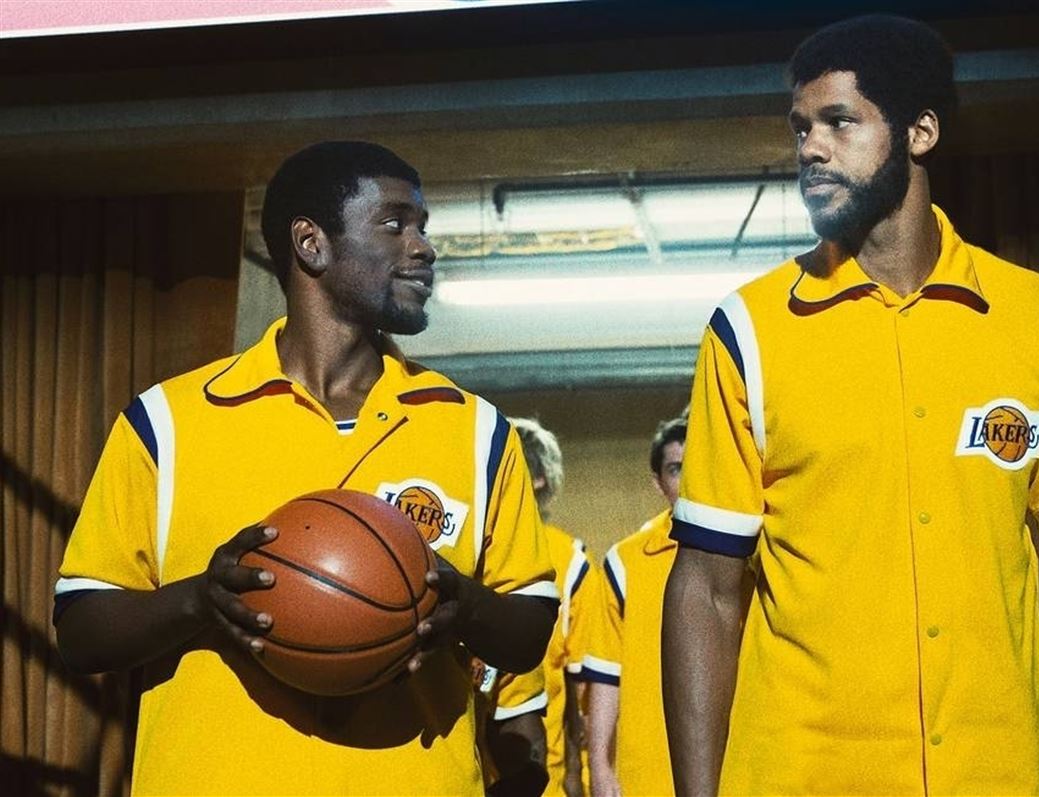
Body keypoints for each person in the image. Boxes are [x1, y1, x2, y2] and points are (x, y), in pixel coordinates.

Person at [662, 14, 1039, 796]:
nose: (810, 147)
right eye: (801, 127)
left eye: (839, 121)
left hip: (998, 776)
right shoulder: (749, 330)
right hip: (804, 776)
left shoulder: (1037, 320)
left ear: (920, 132)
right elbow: (708, 590)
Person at [53, 140, 559, 796]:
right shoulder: (169, 420)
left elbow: (528, 629)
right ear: (310, 243)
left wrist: (466, 606)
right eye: (395, 223)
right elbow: (80, 629)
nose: (423, 246)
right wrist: (200, 600)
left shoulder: (474, 428)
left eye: (423, 227)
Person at [583, 415, 762, 796]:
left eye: (695, 464)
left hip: (744, 761)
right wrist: (599, 766)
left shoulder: (757, 555)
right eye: (675, 468)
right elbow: (604, 673)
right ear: (658, 481)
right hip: (647, 769)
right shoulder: (626, 560)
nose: (686, 477)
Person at [481, 417, 599, 797]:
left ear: (538, 479)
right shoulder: (467, 552)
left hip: (540, 775)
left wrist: (579, 778)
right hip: (466, 770)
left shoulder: (571, 561)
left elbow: (583, 689)